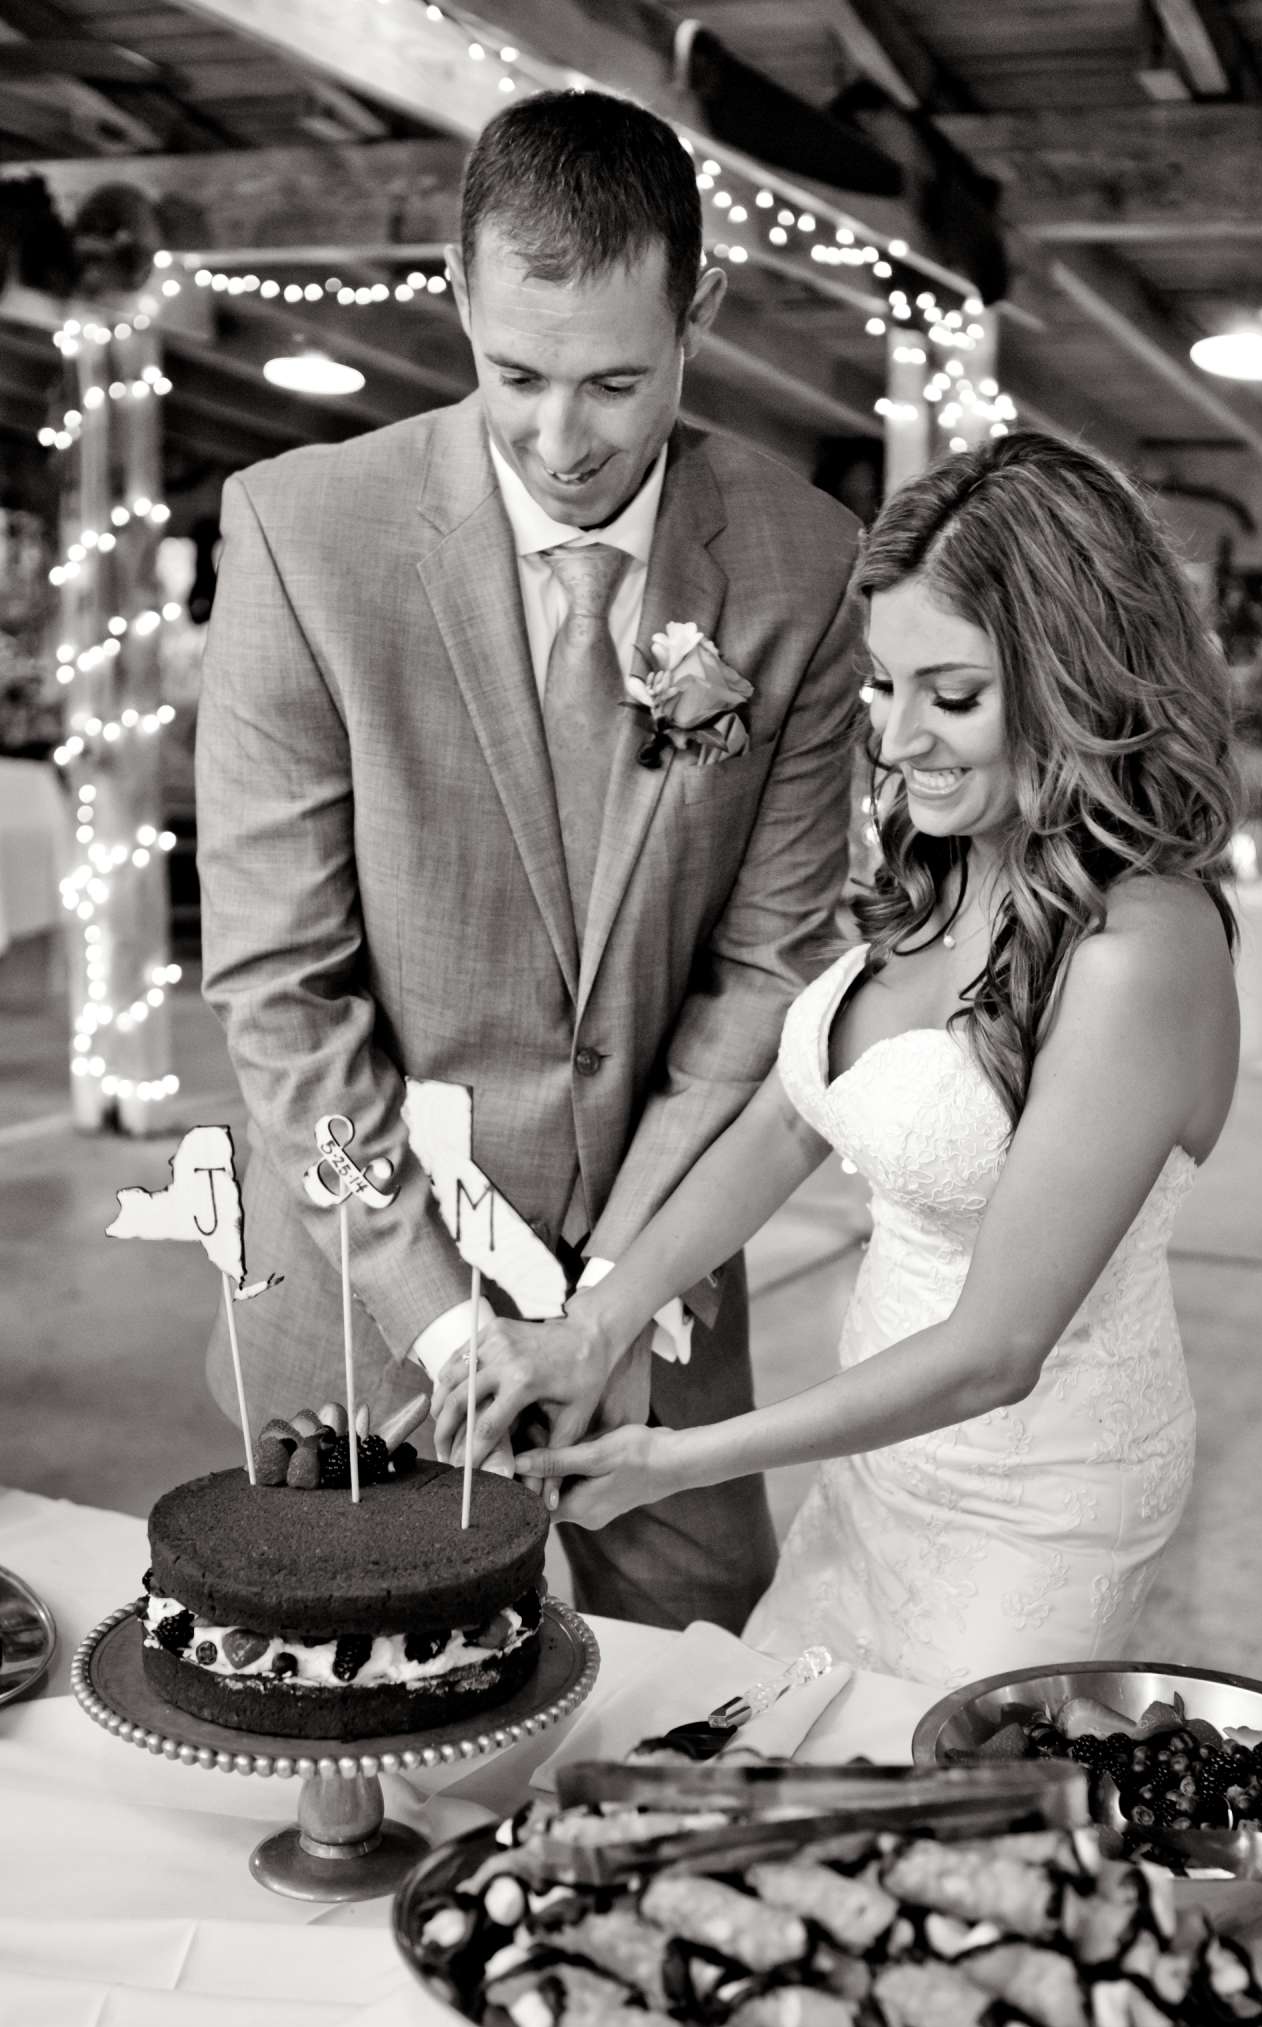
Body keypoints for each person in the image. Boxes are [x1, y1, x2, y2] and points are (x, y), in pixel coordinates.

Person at [195, 91, 863, 1632]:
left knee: (693, 1697)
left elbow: (768, 969)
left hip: (658, 1291)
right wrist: (444, 1330)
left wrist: (609, 1294)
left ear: (702, 309)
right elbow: (283, 996)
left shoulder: (803, 566)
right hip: (370, 1308)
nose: (561, 440)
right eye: (515, 375)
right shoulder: (303, 537)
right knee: (348, 1703)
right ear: (457, 294)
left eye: (617, 383)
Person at [437, 431, 1243, 1686]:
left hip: (1033, 1500)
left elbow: (996, 1347)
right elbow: (784, 1123)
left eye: (954, 695)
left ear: (1082, 682)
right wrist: (597, 1324)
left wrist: (684, 1461)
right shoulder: (949, 864)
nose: (899, 737)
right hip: (884, 1459)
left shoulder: (1140, 951)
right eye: (881, 685)